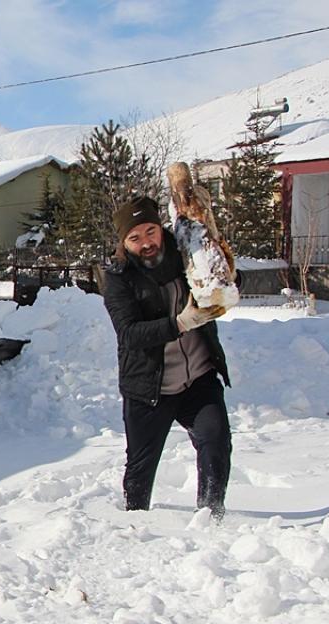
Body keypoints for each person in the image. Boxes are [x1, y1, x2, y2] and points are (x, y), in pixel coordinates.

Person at [102, 196, 232, 518]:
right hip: (150, 387)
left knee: (216, 441)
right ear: (124, 242)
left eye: (150, 231)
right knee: (140, 469)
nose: (146, 243)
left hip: (198, 376)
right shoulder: (118, 277)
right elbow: (129, 334)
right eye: (135, 238)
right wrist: (180, 323)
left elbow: (215, 280)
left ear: (160, 227)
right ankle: (135, 525)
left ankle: (211, 516)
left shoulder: (185, 251)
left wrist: (227, 276)